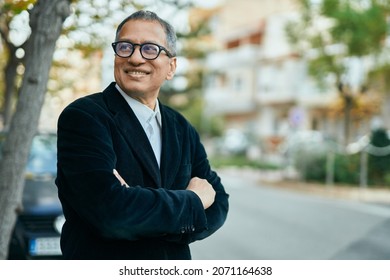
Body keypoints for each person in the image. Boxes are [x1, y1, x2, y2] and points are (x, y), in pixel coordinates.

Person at [55, 10, 229, 260]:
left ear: (171, 66)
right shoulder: (84, 117)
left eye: (150, 49)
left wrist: (142, 210)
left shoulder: (181, 127)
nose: (135, 58)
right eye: (125, 47)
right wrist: (192, 201)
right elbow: (111, 214)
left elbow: (220, 202)